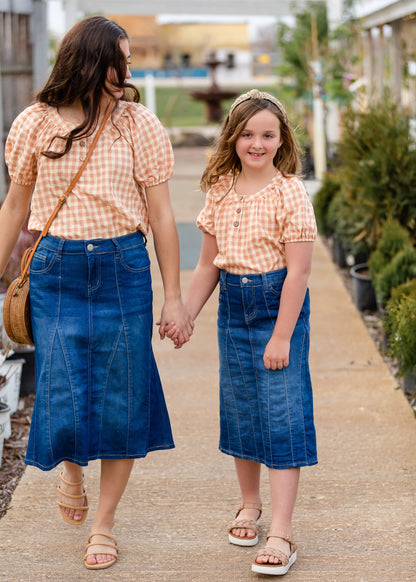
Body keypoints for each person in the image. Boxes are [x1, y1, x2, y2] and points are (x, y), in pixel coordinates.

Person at [0, 16, 192, 570]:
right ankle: (71, 472)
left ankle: (104, 524)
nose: (129, 71)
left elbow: (161, 214)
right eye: (121, 60)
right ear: (90, 59)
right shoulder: (35, 123)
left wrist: (173, 295)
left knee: (121, 396)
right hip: (57, 266)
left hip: (122, 267)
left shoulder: (138, 124)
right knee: (61, 387)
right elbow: (16, 206)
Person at [166, 89, 318, 575]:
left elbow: (297, 273)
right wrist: (186, 312)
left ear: (281, 140)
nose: (257, 143)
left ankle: (282, 528)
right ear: (233, 138)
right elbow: (208, 263)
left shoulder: (290, 192)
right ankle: (248, 505)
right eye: (248, 134)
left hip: (278, 307)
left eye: (267, 135)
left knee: (281, 413)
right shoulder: (221, 190)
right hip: (233, 307)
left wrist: (281, 337)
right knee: (242, 410)